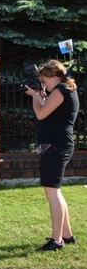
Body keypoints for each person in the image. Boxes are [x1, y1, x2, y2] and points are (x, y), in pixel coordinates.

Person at [25, 60, 79, 251]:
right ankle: (66, 235)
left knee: (52, 193)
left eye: (44, 79)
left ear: (55, 77)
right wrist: (38, 94)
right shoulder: (64, 89)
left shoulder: (61, 90)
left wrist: (35, 96)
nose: (43, 83)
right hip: (57, 145)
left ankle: (57, 241)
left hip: (56, 146)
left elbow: (40, 114)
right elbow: (45, 111)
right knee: (56, 192)